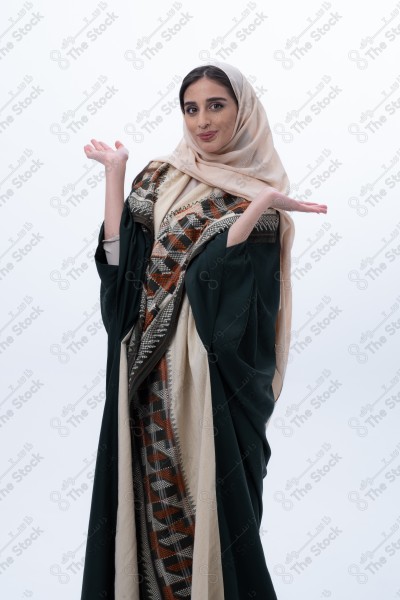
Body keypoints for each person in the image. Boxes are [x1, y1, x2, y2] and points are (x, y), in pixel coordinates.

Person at [80, 62, 327, 600]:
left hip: (204, 392)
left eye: (217, 105)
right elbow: (121, 280)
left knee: (211, 511)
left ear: (242, 111)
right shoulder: (157, 178)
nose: (202, 121)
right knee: (145, 508)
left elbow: (221, 290)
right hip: (142, 384)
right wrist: (115, 176)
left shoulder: (258, 195)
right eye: (191, 108)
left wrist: (260, 203)